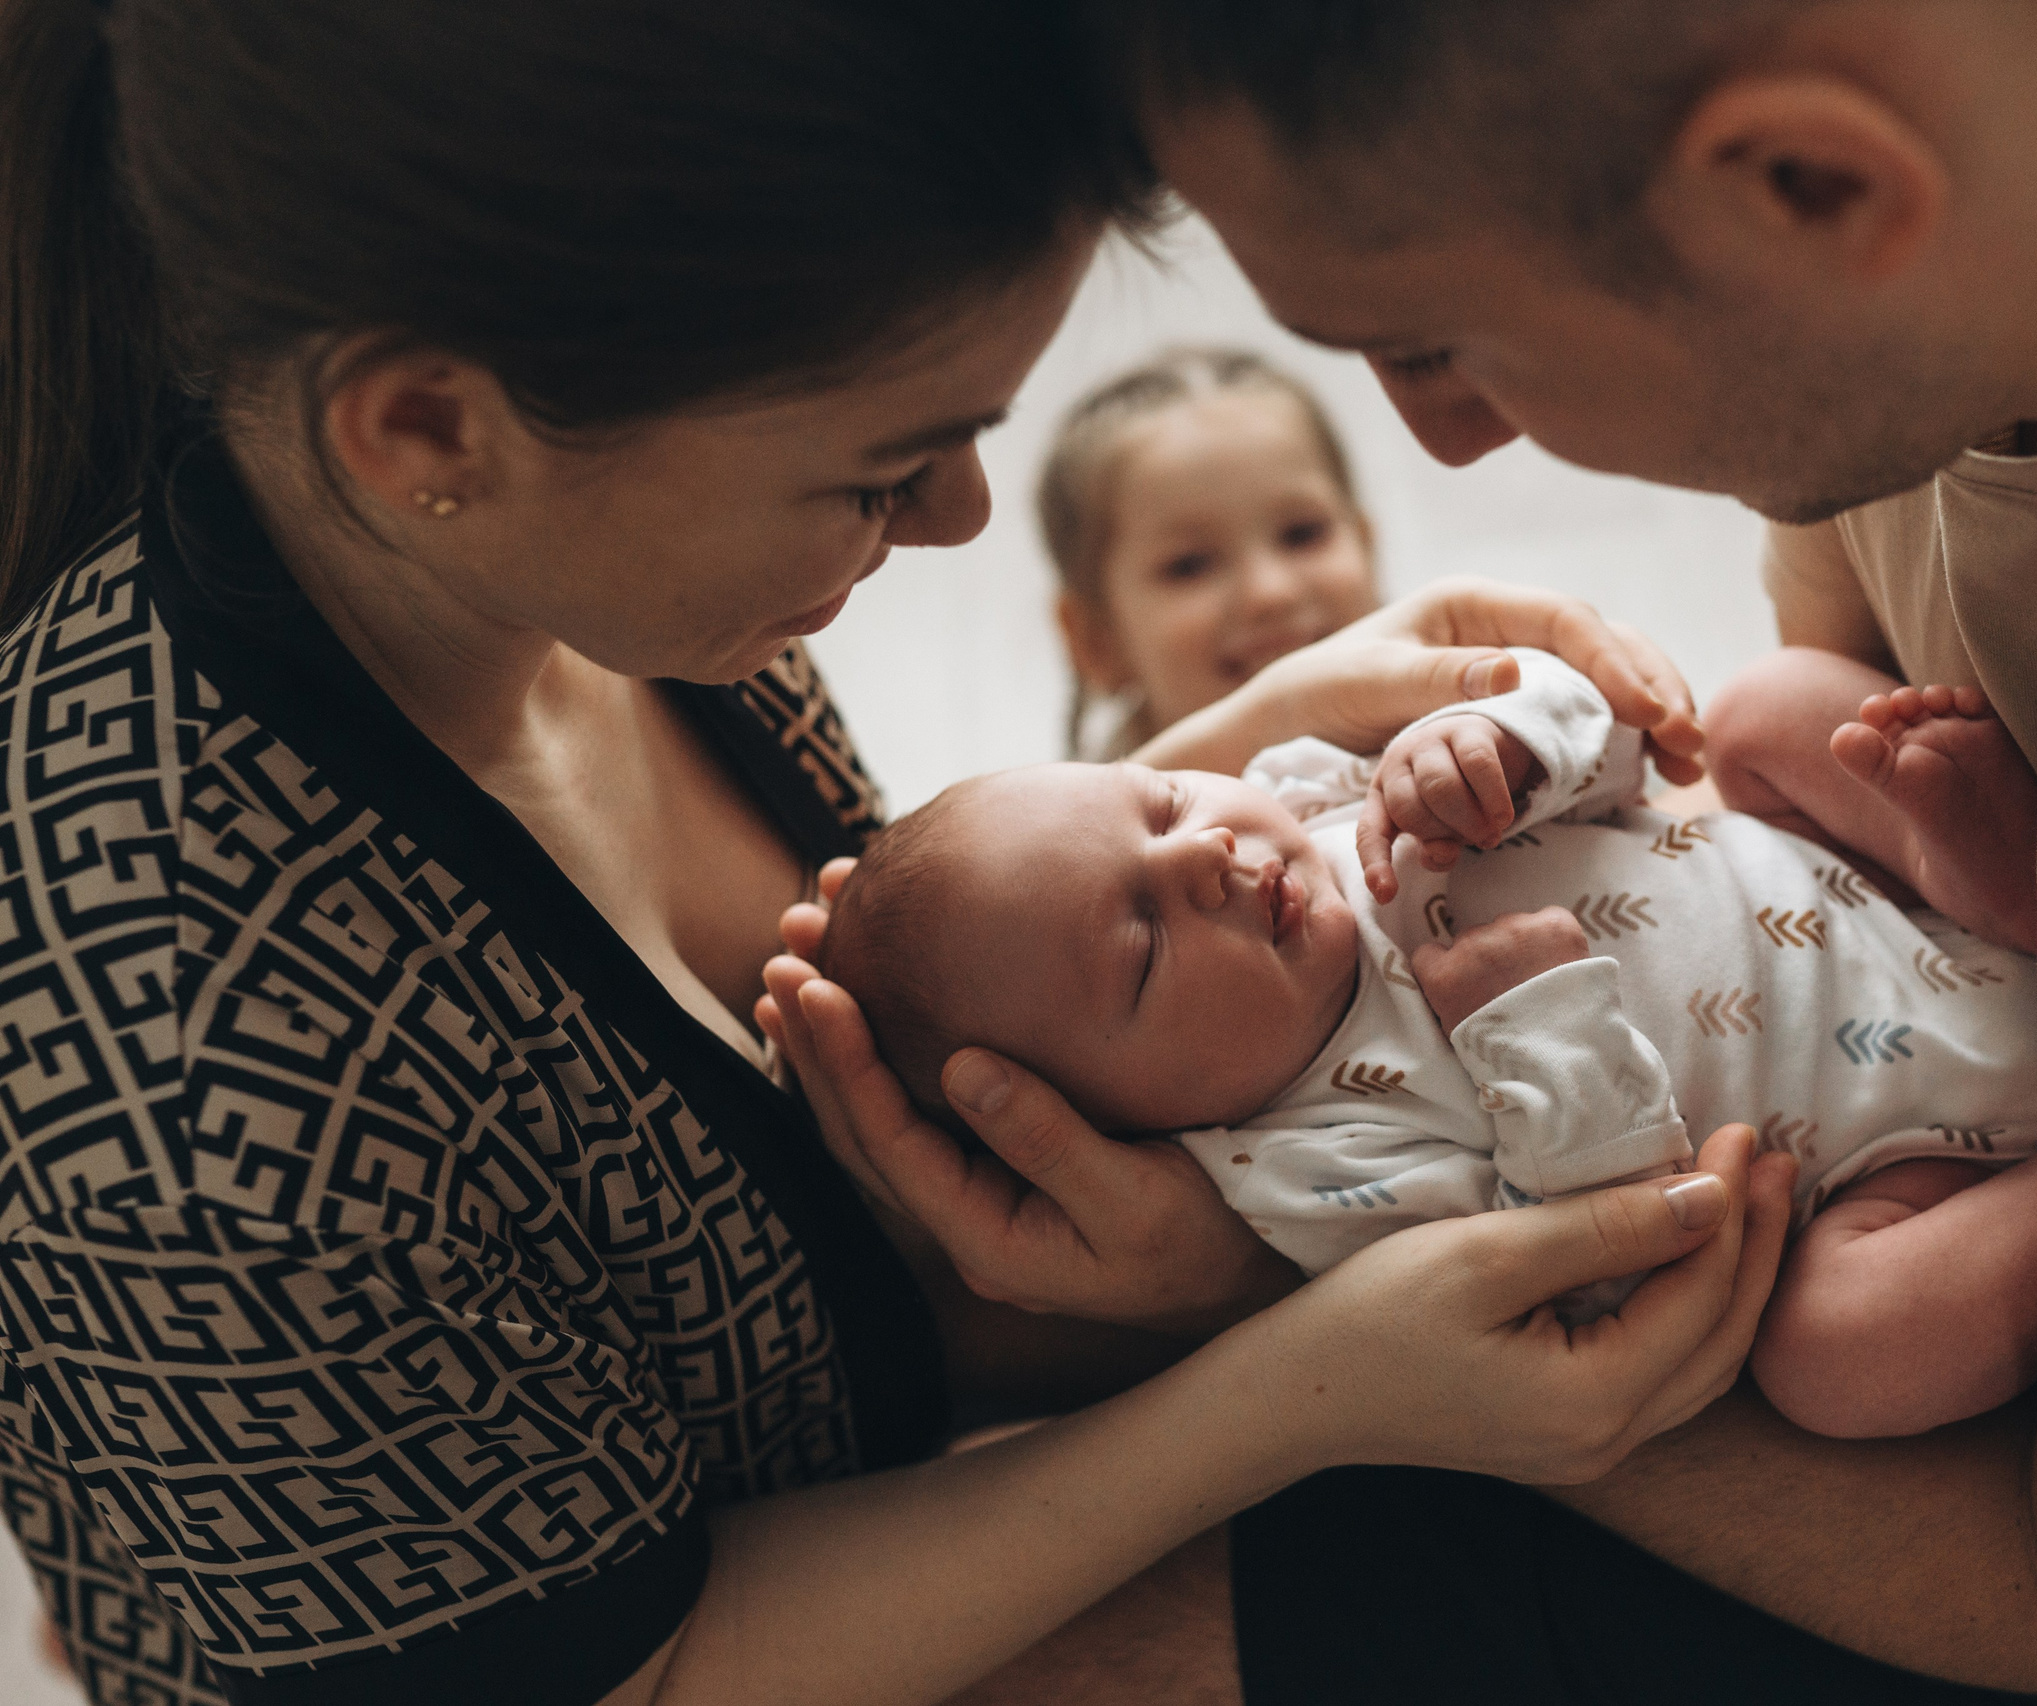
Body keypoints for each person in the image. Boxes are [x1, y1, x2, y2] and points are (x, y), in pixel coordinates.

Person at [0, 4, 1787, 1704]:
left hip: (875, 1399)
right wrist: (1286, 1389)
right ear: (433, 433)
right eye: (881, 472)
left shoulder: (554, 563)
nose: (956, 527)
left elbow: (859, 1016)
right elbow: (615, 1667)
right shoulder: (198, 1066)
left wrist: (1248, 737)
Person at [1000, 0, 2037, 1702]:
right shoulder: (1961, 267)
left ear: (1808, 185)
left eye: (1435, 336)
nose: (1447, 443)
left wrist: (1296, 1323)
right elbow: (1772, 746)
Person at [821, 645, 2037, 1434]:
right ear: (1127, 1120)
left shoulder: (1327, 796)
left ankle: (1982, 870)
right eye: (1142, 946)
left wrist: (1501, 745)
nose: (1202, 856)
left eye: (1160, 802)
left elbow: (1620, 741)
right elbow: (1585, 1265)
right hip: (1899, 1160)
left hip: (1874, 890)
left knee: (1761, 709)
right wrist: (1536, 1026)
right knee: (1837, 1358)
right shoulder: (1302, 1167)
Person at [1040, 346, 1379, 761]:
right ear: (1096, 640)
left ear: (1366, 547)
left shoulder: (1470, 728)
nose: (1270, 593)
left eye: (1302, 534)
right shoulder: (1088, 823)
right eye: (1190, 566)